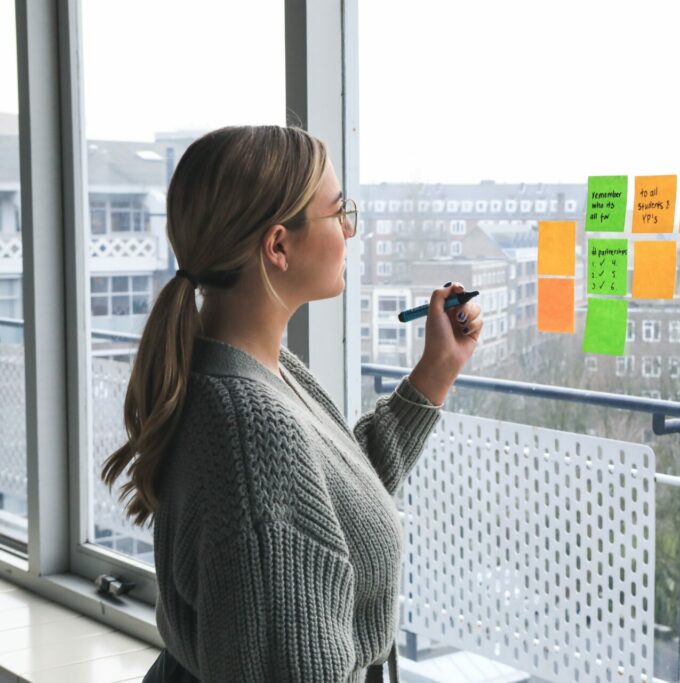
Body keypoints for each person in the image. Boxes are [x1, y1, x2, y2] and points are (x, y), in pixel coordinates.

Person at [101, 125, 482, 682]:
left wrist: (435, 373)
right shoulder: (252, 428)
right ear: (278, 245)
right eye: (338, 212)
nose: (350, 230)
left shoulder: (254, 372)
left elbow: (330, 514)